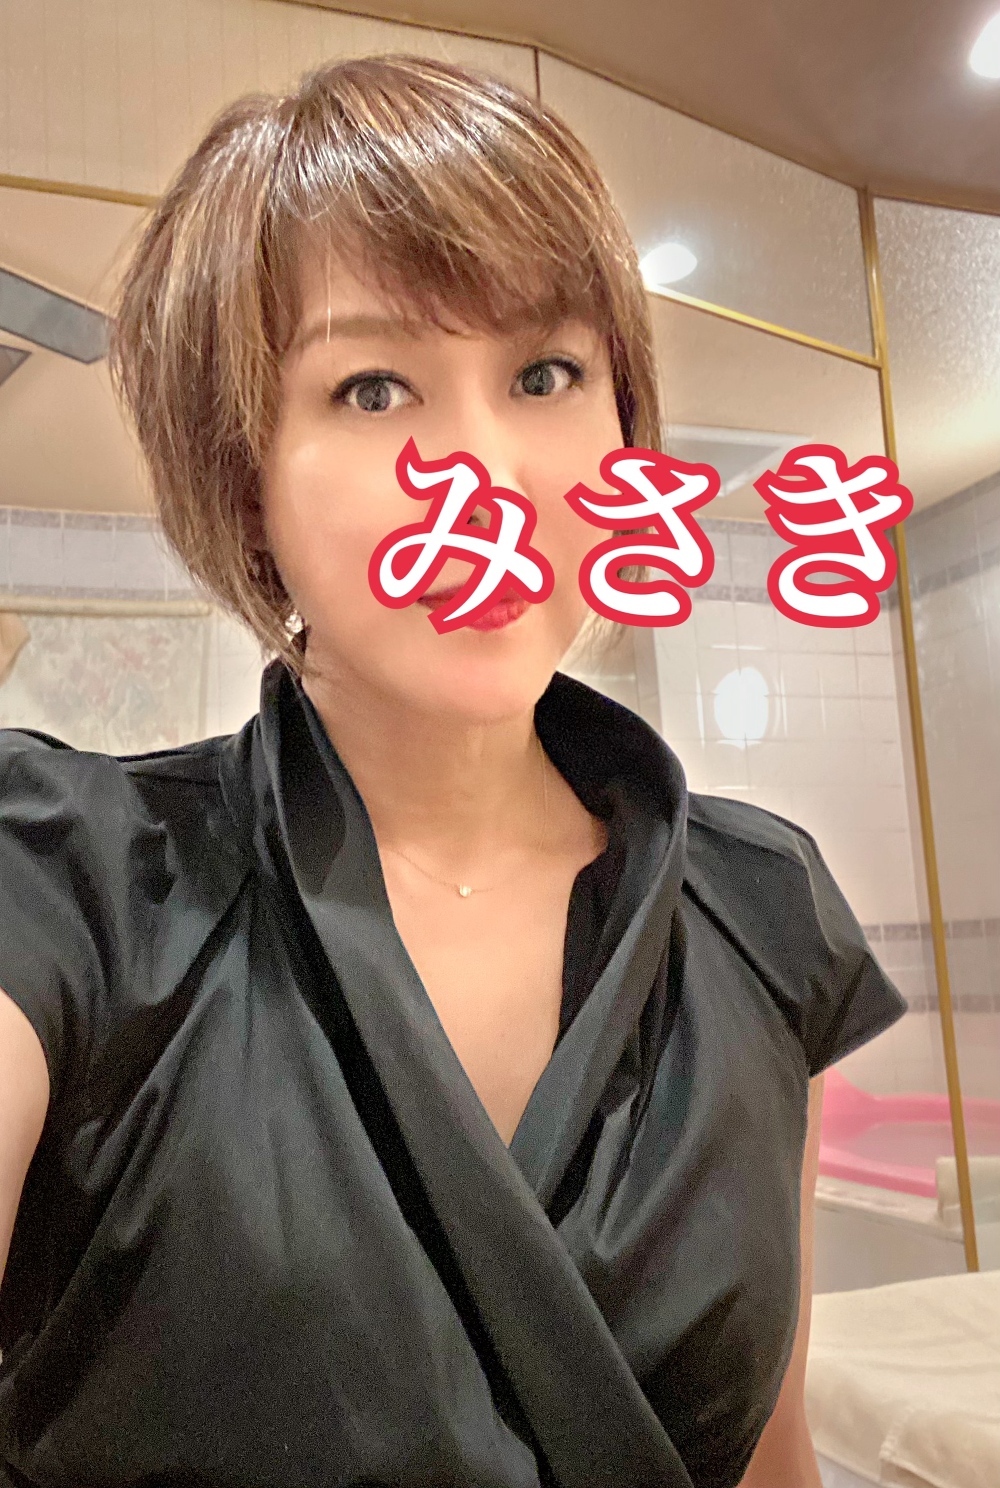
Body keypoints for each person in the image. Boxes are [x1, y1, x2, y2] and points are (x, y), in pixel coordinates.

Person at [0, 56, 905, 1488]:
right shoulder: (68, 882)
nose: (486, 475)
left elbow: (768, 1453)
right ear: (246, 482)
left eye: (545, 375)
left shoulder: (761, 902)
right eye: (372, 388)